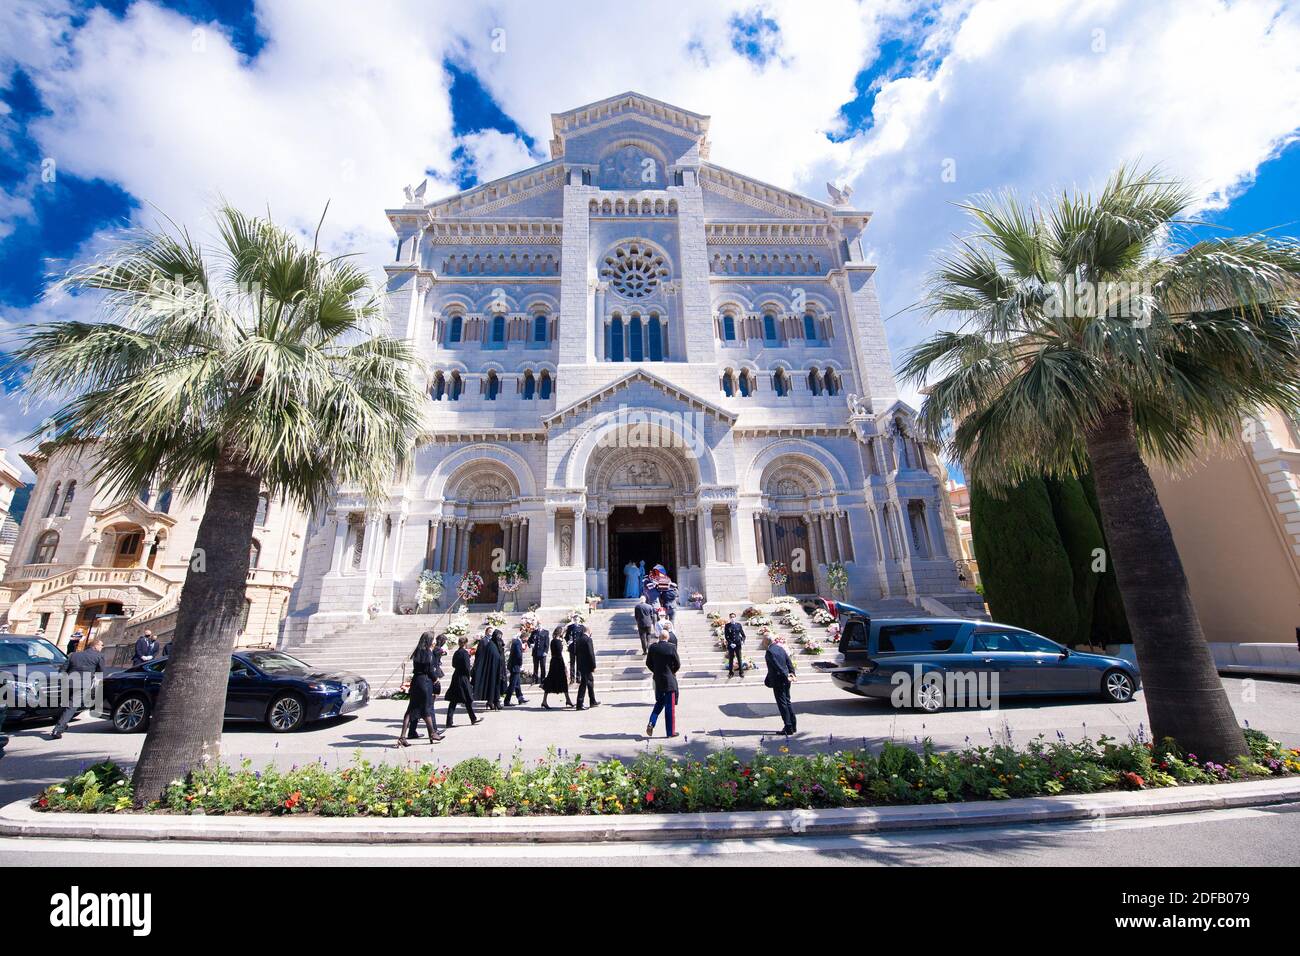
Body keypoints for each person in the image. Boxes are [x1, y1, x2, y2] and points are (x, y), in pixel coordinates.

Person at [50, 636, 106, 739]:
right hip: (83, 684)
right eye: (101, 645)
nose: (102, 647)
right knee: (72, 706)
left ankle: (62, 723)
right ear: (95, 645)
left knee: (65, 705)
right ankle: (58, 728)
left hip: (68, 682)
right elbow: (100, 672)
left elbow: (63, 670)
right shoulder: (99, 656)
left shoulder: (74, 655)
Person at [398, 632, 443, 746]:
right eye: (432, 639)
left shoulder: (418, 651)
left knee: (410, 710)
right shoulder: (428, 652)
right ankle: (432, 733)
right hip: (425, 682)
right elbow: (429, 669)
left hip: (416, 681)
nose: (434, 641)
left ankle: (403, 736)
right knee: (426, 708)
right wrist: (435, 680)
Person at [644, 629, 680, 739]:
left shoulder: (653, 647)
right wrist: (672, 671)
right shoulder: (671, 647)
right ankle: (670, 732)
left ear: (659, 637)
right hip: (669, 681)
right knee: (670, 707)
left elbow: (648, 663)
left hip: (658, 680)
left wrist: (656, 671)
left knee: (659, 703)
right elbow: (677, 664)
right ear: (667, 638)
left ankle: (651, 722)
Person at [763, 634, 798, 735]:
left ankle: (788, 727)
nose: (762, 642)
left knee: (782, 703)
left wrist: (785, 675)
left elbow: (777, 665)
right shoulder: (780, 648)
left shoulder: (770, 651)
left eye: (763, 640)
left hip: (779, 680)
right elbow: (788, 662)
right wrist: (792, 673)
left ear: (766, 641)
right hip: (786, 679)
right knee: (787, 701)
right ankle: (793, 725)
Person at [444, 636, 480, 727]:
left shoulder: (456, 652)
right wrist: (468, 677)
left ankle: (449, 721)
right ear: (465, 643)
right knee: (467, 699)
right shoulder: (465, 653)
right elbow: (467, 667)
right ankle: (473, 718)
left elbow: (453, 664)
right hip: (463, 677)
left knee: (454, 700)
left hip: (456, 676)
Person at [471, 628, 504, 711]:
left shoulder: (494, 645)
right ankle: (491, 701)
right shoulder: (491, 645)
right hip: (492, 670)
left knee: (495, 686)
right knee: (493, 685)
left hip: (495, 670)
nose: (499, 639)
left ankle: (495, 701)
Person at [541, 628, 573, 709]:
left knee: (555, 680)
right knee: (559, 680)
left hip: (554, 661)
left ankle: (567, 699)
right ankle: (567, 699)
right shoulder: (558, 641)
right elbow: (559, 652)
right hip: (558, 662)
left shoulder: (553, 641)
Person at [572, 624, 598, 710]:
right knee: (584, 684)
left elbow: (576, 653)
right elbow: (591, 654)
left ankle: (592, 701)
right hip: (587, 665)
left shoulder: (579, 640)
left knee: (590, 682)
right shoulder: (588, 640)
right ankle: (579, 703)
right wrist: (593, 665)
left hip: (581, 665)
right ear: (589, 631)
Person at [503, 626, 528, 706]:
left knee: (517, 683)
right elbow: (518, 655)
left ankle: (520, 698)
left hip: (514, 666)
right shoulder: (517, 643)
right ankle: (507, 700)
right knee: (513, 684)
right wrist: (520, 664)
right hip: (515, 666)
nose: (526, 640)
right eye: (526, 638)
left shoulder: (516, 642)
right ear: (524, 637)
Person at [724, 613, 747, 677]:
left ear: (735, 617)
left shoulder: (738, 625)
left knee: (739, 658)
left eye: (733, 617)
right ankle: (731, 673)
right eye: (731, 617)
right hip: (731, 645)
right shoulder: (727, 626)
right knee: (731, 659)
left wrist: (742, 640)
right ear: (729, 618)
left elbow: (743, 635)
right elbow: (726, 636)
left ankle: (741, 672)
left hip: (738, 644)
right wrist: (730, 643)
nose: (732, 618)